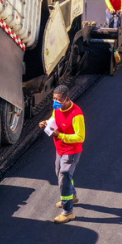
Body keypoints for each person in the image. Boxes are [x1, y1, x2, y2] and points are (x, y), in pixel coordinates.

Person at [38, 85, 85, 224]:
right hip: (60, 149)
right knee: (59, 172)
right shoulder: (57, 109)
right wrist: (46, 123)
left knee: (64, 177)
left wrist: (60, 135)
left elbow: (80, 137)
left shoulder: (77, 115)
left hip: (71, 151)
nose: (55, 102)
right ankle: (73, 196)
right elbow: (54, 119)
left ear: (67, 99)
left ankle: (68, 212)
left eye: (58, 100)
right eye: (54, 98)